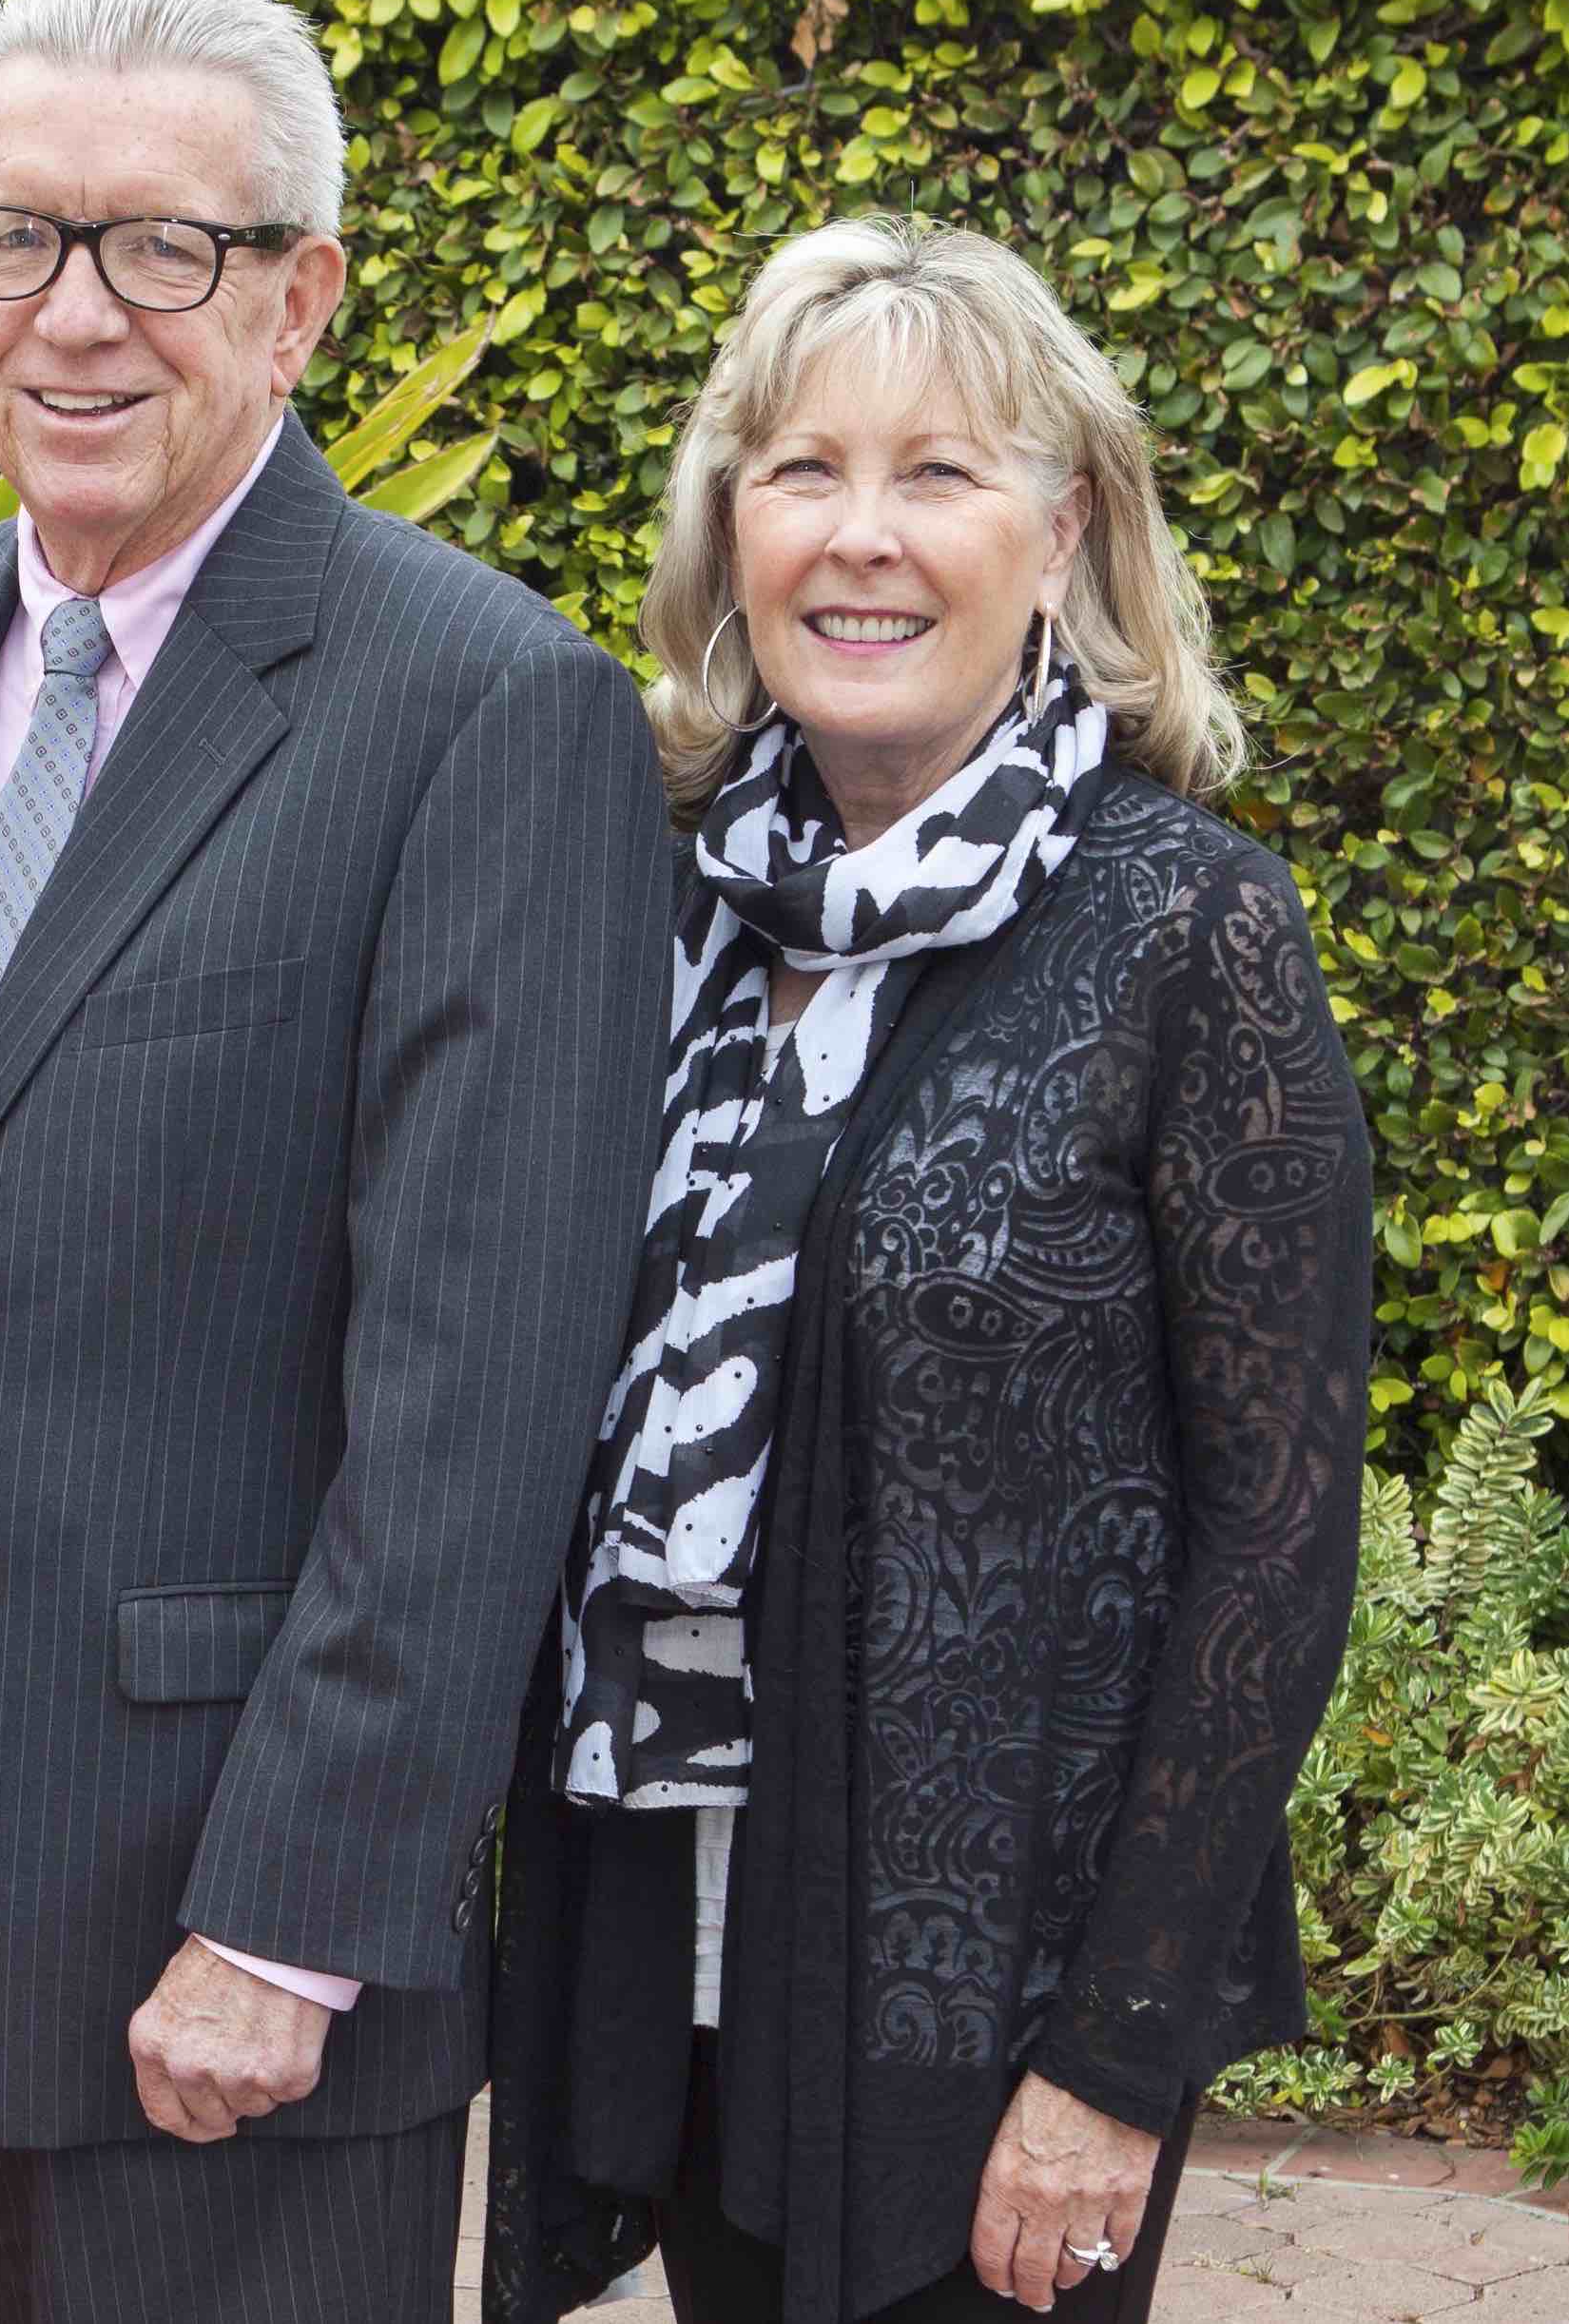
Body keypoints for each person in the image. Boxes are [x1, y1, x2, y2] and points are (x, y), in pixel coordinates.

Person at [0, 0, 670, 2323]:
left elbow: (480, 1392)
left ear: (303, 298)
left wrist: (298, 1911)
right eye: (17, 238)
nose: (77, 315)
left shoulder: (486, 709)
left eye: (164, 250)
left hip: (210, 1953)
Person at [481, 215, 1374, 2324]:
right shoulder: (660, 905)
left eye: (938, 474)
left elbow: (1279, 1534)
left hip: (977, 2000)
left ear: (1063, 536)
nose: (858, 538)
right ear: (730, 531)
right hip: (676, 1921)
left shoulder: (1188, 934)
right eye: (801, 471)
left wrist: (1116, 2059)